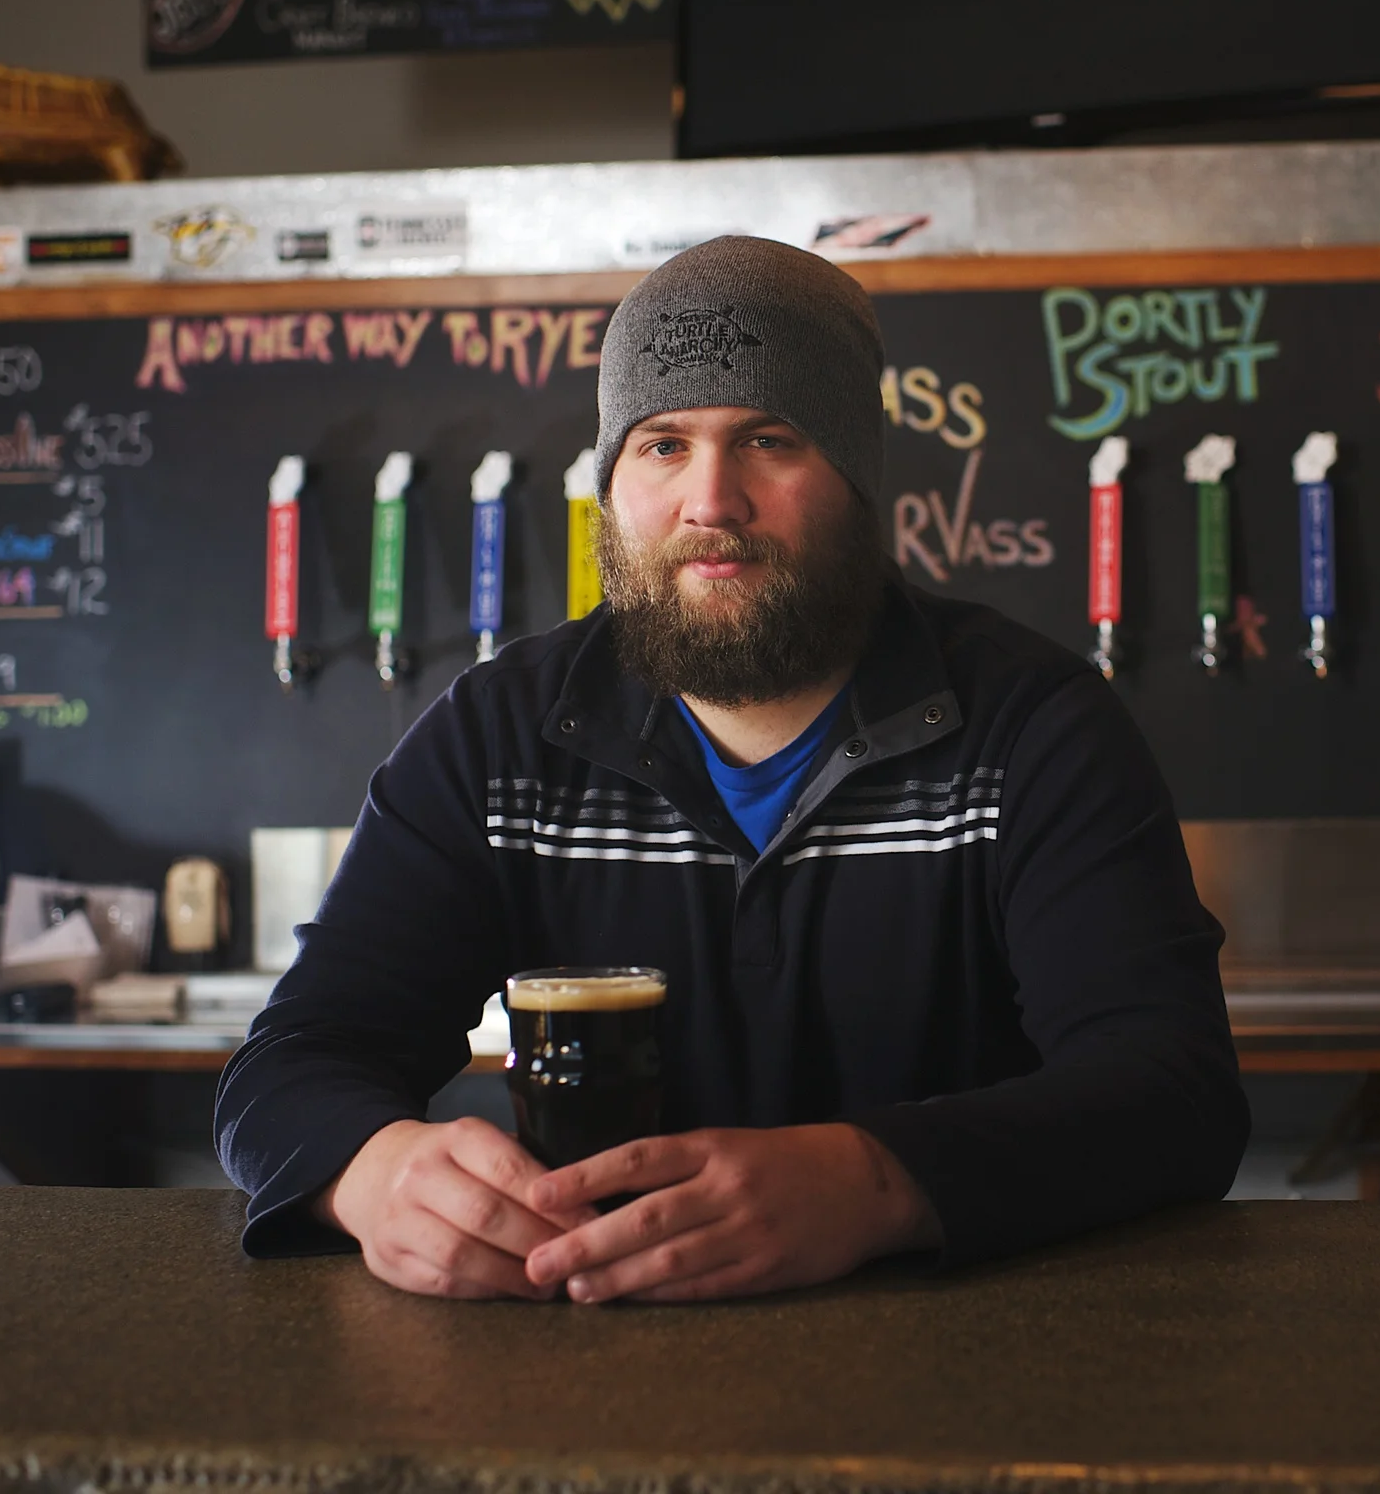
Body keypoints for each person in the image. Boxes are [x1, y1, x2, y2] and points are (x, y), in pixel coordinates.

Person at [215, 235, 1249, 1304]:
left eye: (768, 439)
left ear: (854, 475)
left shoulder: (1034, 728)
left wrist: (877, 1181)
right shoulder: (497, 739)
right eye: (663, 444)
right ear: (612, 484)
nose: (711, 500)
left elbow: (1174, 1090)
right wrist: (372, 1172)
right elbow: (291, 1064)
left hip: (956, 1359)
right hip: (583, 1350)